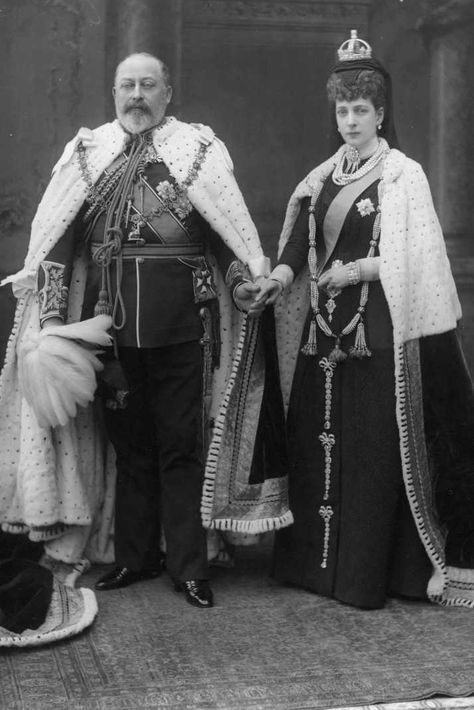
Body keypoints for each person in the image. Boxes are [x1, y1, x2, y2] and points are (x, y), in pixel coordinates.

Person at [0, 52, 282, 609]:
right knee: (129, 449)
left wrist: (240, 280)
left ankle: (188, 566)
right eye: (127, 85)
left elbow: (224, 233)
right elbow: (57, 242)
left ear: (167, 93)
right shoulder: (88, 156)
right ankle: (134, 556)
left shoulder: (196, 152)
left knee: (180, 447)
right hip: (109, 331)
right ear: (113, 92)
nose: (136, 96)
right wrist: (54, 321)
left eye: (147, 85)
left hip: (184, 327)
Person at [253, 31, 474, 609]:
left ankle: (366, 576)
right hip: (322, 332)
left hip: (375, 330)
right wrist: (280, 276)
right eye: (343, 110)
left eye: (361, 110)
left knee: (374, 449)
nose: (350, 120)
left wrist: (354, 273)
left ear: (380, 113)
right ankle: (314, 568)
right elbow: (302, 245)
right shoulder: (321, 177)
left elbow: (416, 259)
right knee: (316, 442)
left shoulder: (404, 175)